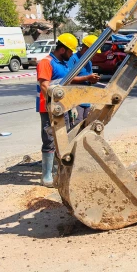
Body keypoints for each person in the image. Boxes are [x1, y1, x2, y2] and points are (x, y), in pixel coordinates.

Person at [36, 33, 100, 187]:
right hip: (49, 109)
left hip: (63, 107)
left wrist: (70, 105)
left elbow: (67, 85)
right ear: (63, 49)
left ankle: (60, 172)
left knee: (62, 140)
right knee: (50, 140)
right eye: (71, 51)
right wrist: (53, 107)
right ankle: (46, 177)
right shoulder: (46, 62)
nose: (72, 54)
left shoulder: (63, 64)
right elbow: (44, 85)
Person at [68, 34, 100, 129]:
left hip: (86, 99)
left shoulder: (88, 62)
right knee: (77, 125)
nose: (94, 55)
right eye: (93, 52)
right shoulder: (73, 59)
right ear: (86, 49)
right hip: (75, 100)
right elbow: (68, 79)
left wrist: (93, 80)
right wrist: (87, 78)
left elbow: (88, 80)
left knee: (87, 125)